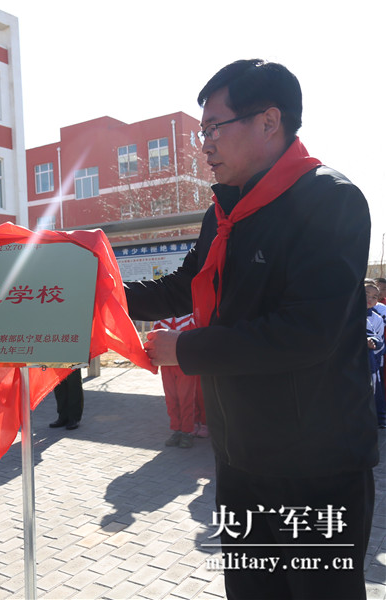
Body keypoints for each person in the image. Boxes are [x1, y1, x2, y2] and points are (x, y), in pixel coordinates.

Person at [123, 60, 377, 599]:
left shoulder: (330, 201)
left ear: (269, 121)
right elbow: (184, 286)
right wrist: (101, 298)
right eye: (202, 131)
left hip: (315, 463)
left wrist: (186, 348)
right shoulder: (224, 212)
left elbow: (308, 331)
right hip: (241, 453)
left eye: (214, 127)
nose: (205, 145)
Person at [153, 314, 202, 449]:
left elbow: (196, 338)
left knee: (186, 398)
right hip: (167, 365)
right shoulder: (160, 317)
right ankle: (177, 430)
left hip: (184, 364)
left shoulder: (190, 316)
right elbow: (153, 340)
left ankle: (187, 432)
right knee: (171, 398)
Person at [365, 280, 385, 428]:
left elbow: (380, 343)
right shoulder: (346, 312)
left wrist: (372, 343)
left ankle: (379, 419)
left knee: (373, 393)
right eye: (366, 294)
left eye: (375, 296)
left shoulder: (377, 318)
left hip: (372, 364)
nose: (369, 299)